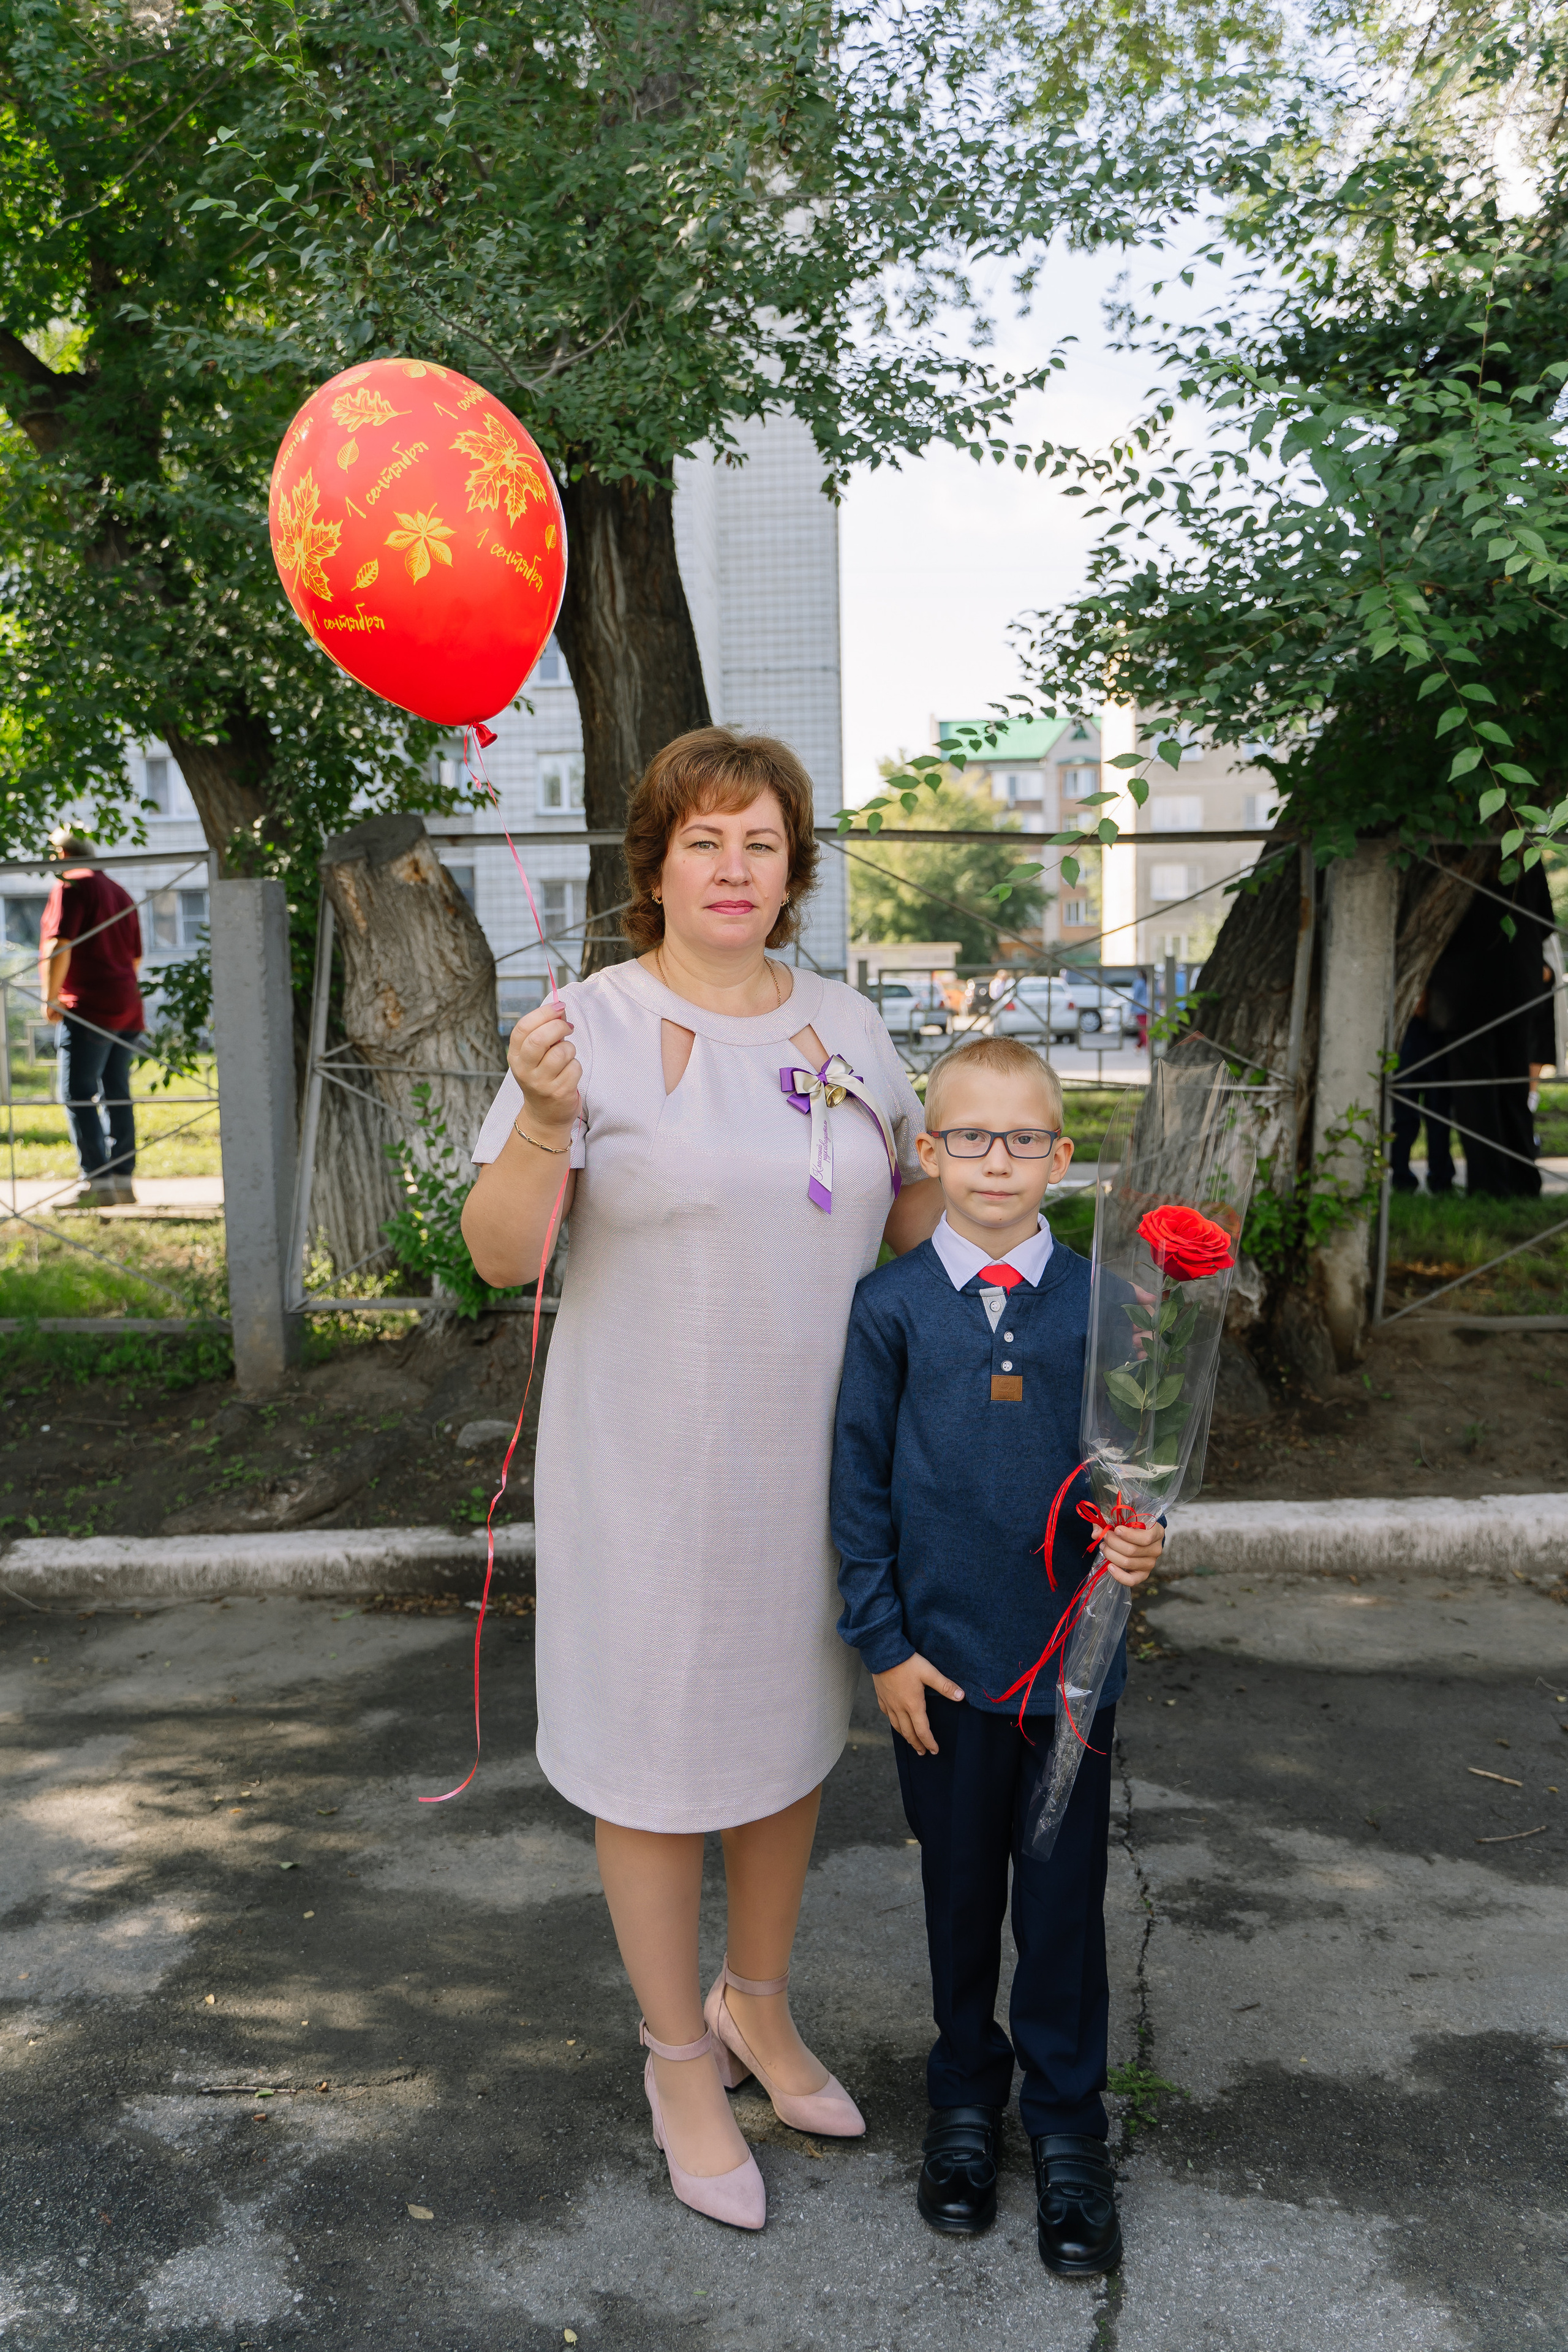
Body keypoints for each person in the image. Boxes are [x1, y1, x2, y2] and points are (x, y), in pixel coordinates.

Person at [461, 728, 943, 2231]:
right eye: (702, 841)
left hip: (814, 1466)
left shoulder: (853, 1025)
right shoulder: (581, 1028)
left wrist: (983, 1186)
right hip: (649, 1468)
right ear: (652, 863)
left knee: (786, 1739)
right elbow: (496, 1255)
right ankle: (677, 2055)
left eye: (761, 843)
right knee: (661, 1757)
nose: (732, 869)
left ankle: (757, 2003)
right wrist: (543, 1120)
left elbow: (905, 1216)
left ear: (793, 869)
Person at [830, 1034, 1163, 2276]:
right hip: (944, 1677)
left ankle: (1067, 2129)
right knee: (961, 1891)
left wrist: (1140, 1540)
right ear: (928, 1151)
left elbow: (1133, 1467)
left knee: (1064, 1905)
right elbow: (858, 1490)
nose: (994, 1160)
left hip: (1070, 1675)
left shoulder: (1106, 1304)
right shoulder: (890, 1309)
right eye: (967, 1136)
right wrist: (882, 1647)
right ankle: (965, 2106)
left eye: (1023, 1138)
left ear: (1059, 1160)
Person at [1424, 861, 1556, 1197]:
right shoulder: (1524, 854)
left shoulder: (1450, 852)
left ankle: (1489, 1187)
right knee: (1513, 1089)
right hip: (1516, 985)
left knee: (1477, 1096)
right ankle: (1523, 1183)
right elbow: (1545, 923)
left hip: (1464, 991)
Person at [37, 830, 145, 1208]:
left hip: (89, 1007)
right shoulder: (119, 890)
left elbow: (60, 944)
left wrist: (51, 998)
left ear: (63, 853)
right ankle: (122, 1181)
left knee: (78, 1093)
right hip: (127, 1005)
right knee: (117, 1091)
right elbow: (135, 959)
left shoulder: (71, 885)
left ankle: (96, 1185)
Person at [1389, 994, 1455, 1194]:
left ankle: (1441, 1180)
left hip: (1437, 1040)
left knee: (1439, 1118)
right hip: (1407, 1044)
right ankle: (1401, 1178)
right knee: (1405, 1119)